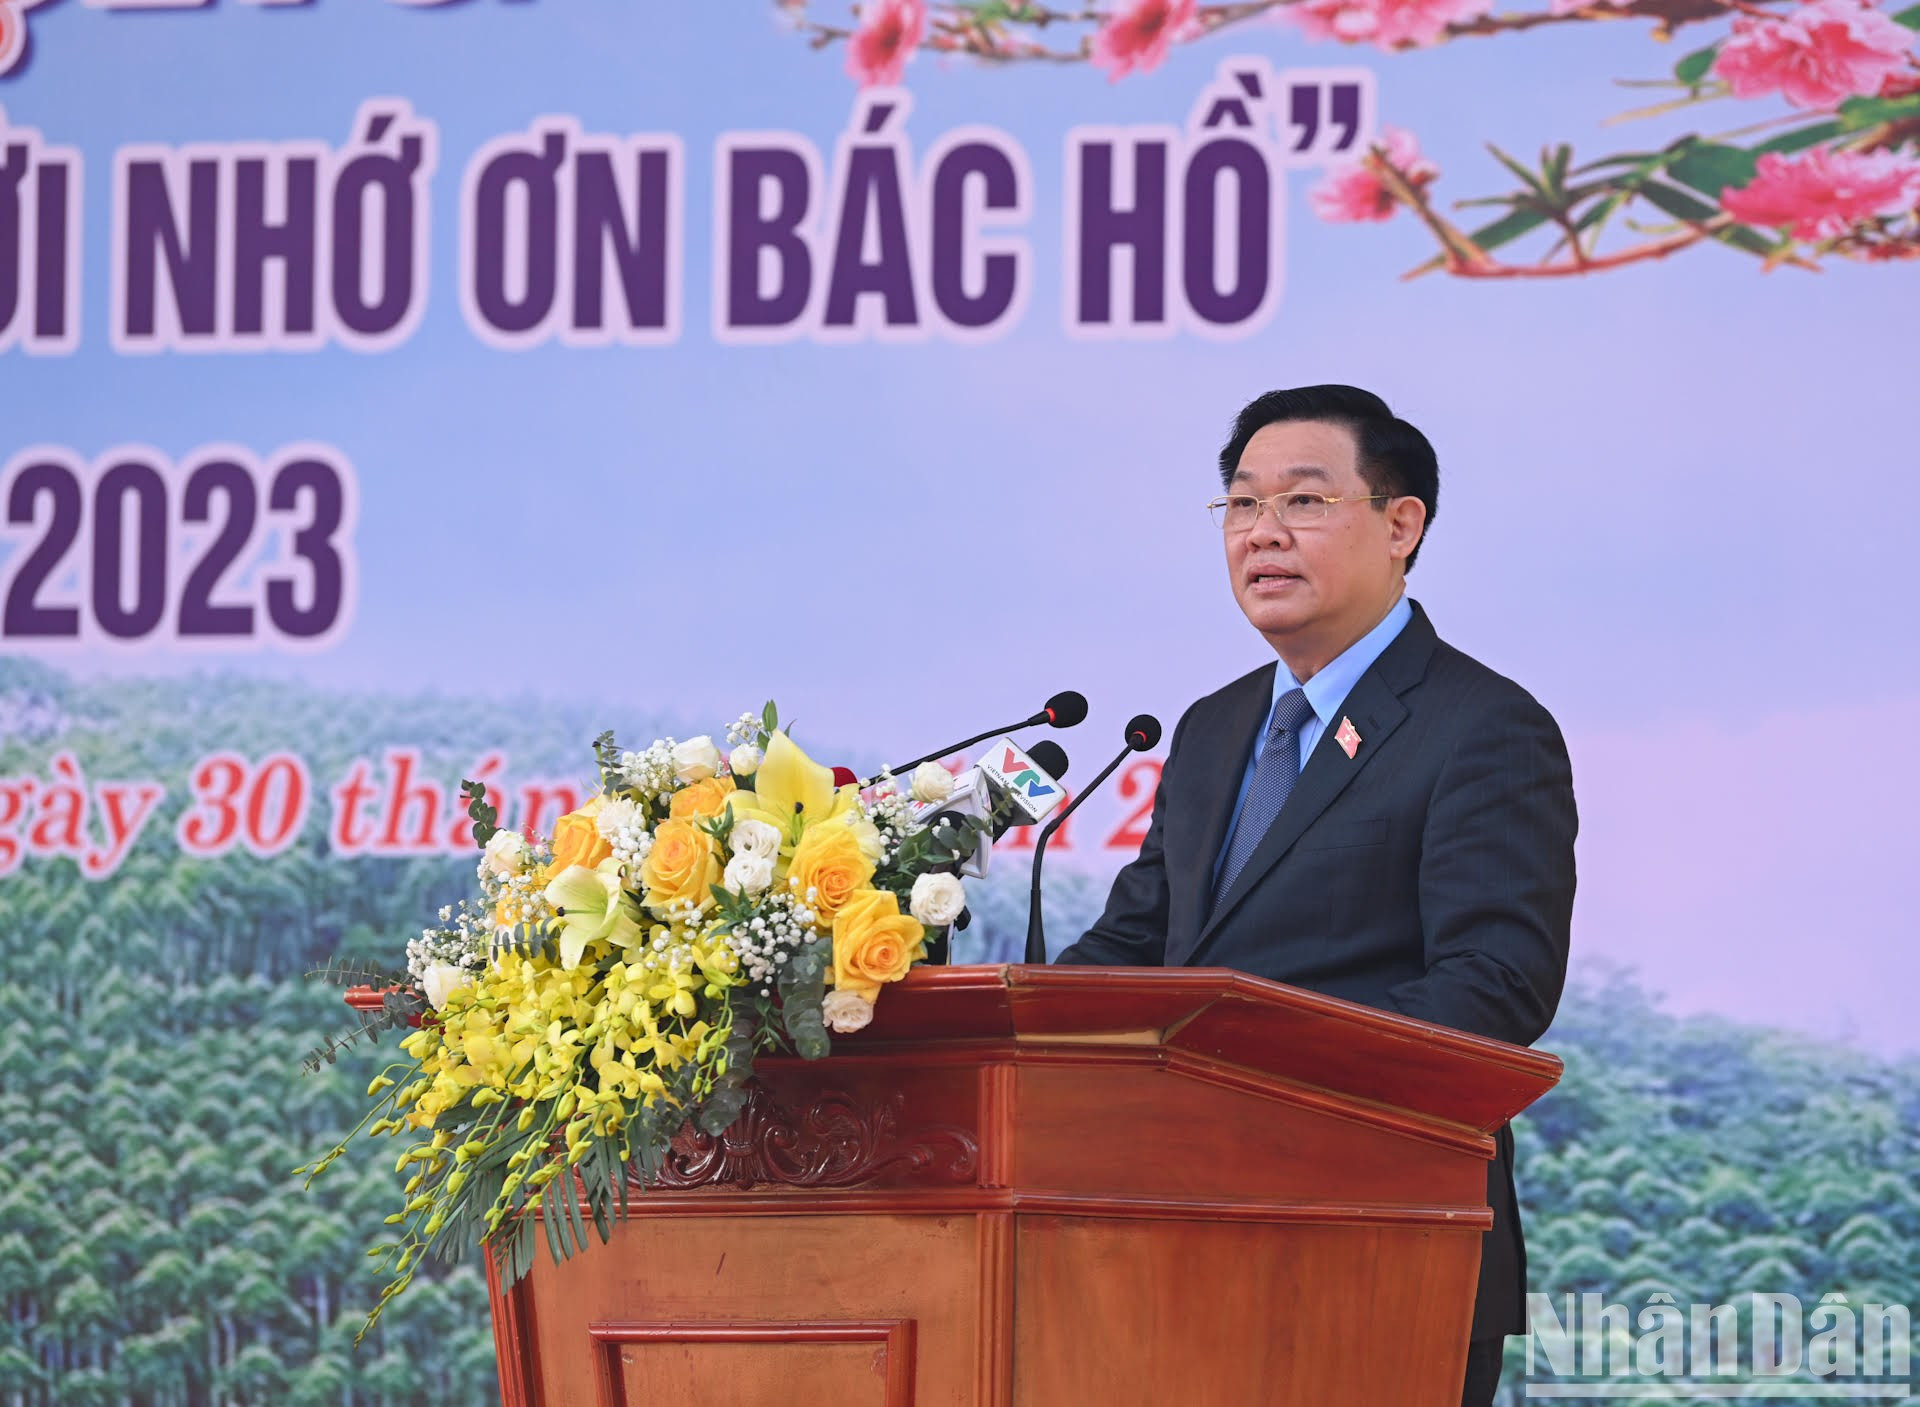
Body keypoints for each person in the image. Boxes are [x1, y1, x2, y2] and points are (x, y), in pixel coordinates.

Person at [1056, 384, 1576, 1407]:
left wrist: (1249, 1073)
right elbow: (1136, 941)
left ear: (1401, 524)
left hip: (1378, 1238)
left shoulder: (1483, 727)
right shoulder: (1213, 727)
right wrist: (1025, 1020)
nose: (1263, 535)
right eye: (1241, 507)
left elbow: (1494, 986)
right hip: (1177, 1228)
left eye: (1302, 502)